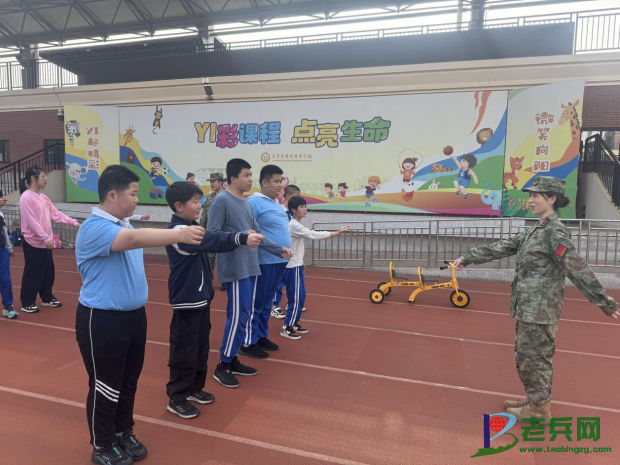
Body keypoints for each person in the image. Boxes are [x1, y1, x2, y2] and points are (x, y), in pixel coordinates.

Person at [453, 176, 619, 424]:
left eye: (535, 196)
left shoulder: (555, 232)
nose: (530, 200)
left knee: (535, 358)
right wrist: (468, 258)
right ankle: (534, 399)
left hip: (540, 309)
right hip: (528, 307)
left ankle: (540, 409)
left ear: (552, 199)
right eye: (530, 196)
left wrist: (604, 302)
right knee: (526, 356)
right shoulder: (537, 229)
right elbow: (504, 245)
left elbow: (577, 268)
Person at [75, 165, 205, 465]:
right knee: (106, 384)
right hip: (102, 319)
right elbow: (134, 241)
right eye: (133, 194)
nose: (137, 199)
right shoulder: (94, 228)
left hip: (133, 317)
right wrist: (179, 233)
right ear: (112, 195)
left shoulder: (124, 225)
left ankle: (123, 431)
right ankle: (102, 444)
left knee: (129, 380)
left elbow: (133, 235)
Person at [164, 182, 263, 419]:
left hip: (201, 299)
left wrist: (241, 236)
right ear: (179, 206)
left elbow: (212, 237)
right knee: (184, 350)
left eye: (200, 201)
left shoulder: (191, 226)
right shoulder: (178, 231)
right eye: (195, 202)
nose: (200, 206)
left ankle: (194, 388)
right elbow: (213, 240)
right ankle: (177, 397)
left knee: (200, 346)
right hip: (187, 301)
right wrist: (240, 238)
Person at [207, 158, 292, 388]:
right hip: (235, 269)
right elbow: (212, 235)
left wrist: (279, 249)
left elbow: (259, 234)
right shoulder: (221, 201)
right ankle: (223, 365)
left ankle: (232, 358)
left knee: (244, 315)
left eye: (251, 175)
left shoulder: (245, 204)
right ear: (233, 178)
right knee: (237, 316)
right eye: (246, 175)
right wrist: (241, 238)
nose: (250, 179)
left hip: (251, 266)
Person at [282, 196, 349, 338]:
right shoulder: (294, 225)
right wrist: (336, 233)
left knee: (301, 296)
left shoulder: (294, 224)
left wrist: (301, 260)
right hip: (292, 267)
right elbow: (312, 234)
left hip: (295, 264)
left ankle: (293, 322)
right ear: (293, 210)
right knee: (296, 298)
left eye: (305, 206)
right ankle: (287, 327)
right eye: (301, 207)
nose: (305, 209)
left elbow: (294, 246)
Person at [18, 166, 81, 313]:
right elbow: (32, 222)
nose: (46, 179)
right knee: (33, 273)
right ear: (33, 178)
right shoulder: (26, 197)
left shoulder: (43, 197)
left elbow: (55, 213)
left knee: (48, 272)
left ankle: (46, 297)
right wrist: (45, 237)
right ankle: (27, 301)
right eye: (43, 176)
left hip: (46, 243)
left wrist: (73, 222)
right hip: (34, 242)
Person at [245, 165, 292, 358]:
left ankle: (260, 335)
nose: (280, 185)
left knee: (267, 302)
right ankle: (248, 341)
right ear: (264, 182)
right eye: (276, 181)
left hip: (278, 260)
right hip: (263, 261)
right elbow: (249, 230)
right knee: (256, 302)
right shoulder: (253, 202)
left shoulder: (277, 204)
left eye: (281, 181)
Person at [271, 184, 301, 319]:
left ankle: (291, 303)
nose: (298, 200)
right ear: (288, 196)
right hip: (279, 251)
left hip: (290, 252)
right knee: (278, 279)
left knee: (290, 279)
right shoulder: (279, 211)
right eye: (296, 196)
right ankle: (274, 305)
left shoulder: (292, 214)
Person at [200, 172, 226, 291]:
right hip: (210, 233)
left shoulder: (228, 196)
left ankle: (225, 281)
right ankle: (208, 279)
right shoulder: (209, 198)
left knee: (223, 258)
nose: (211, 184)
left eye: (213, 181)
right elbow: (204, 216)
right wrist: (201, 230)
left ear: (220, 182)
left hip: (223, 233)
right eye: (210, 181)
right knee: (209, 257)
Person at [0, 190, 17, 319]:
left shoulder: (1, 214)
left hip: (2, 250)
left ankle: (8, 306)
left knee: (5, 279)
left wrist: (9, 248)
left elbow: (4, 231)